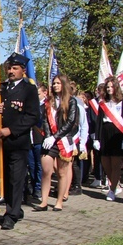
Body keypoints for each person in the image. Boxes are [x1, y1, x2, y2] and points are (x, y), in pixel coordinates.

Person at [0, 53, 39, 230]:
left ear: (23, 70)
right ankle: (14, 206)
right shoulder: (0, 88)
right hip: (0, 142)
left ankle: (11, 214)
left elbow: (32, 116)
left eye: (15, 68)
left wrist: (11, 130)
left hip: (18, 141)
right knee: (5, 178)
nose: (10, 71)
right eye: (9, 67)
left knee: (16, 178)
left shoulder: (28, 89)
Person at [34, 74, 78, 211]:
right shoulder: (49, 101)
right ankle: (44, 202)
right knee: (46, 170)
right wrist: (48, 136)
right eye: (54, 83)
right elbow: (46, 120)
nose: (55, 85)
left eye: (58, 83)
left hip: (64, 140)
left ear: (64, 84)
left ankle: (59, 202)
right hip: (49, 141)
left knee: (62, 173)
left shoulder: (71, 101)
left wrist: (56, 136)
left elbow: (70, 122)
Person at [94, 76, 123, 201]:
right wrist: (96, 139)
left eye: (111, 86)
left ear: (116, 87)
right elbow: (99, 122)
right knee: (105, 162)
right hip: (105, 132)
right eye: (107, 87)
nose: (109, 89)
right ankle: (115, 183)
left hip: (118, 134)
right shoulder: (103, 103)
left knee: (115, 163)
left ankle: (112, 189)